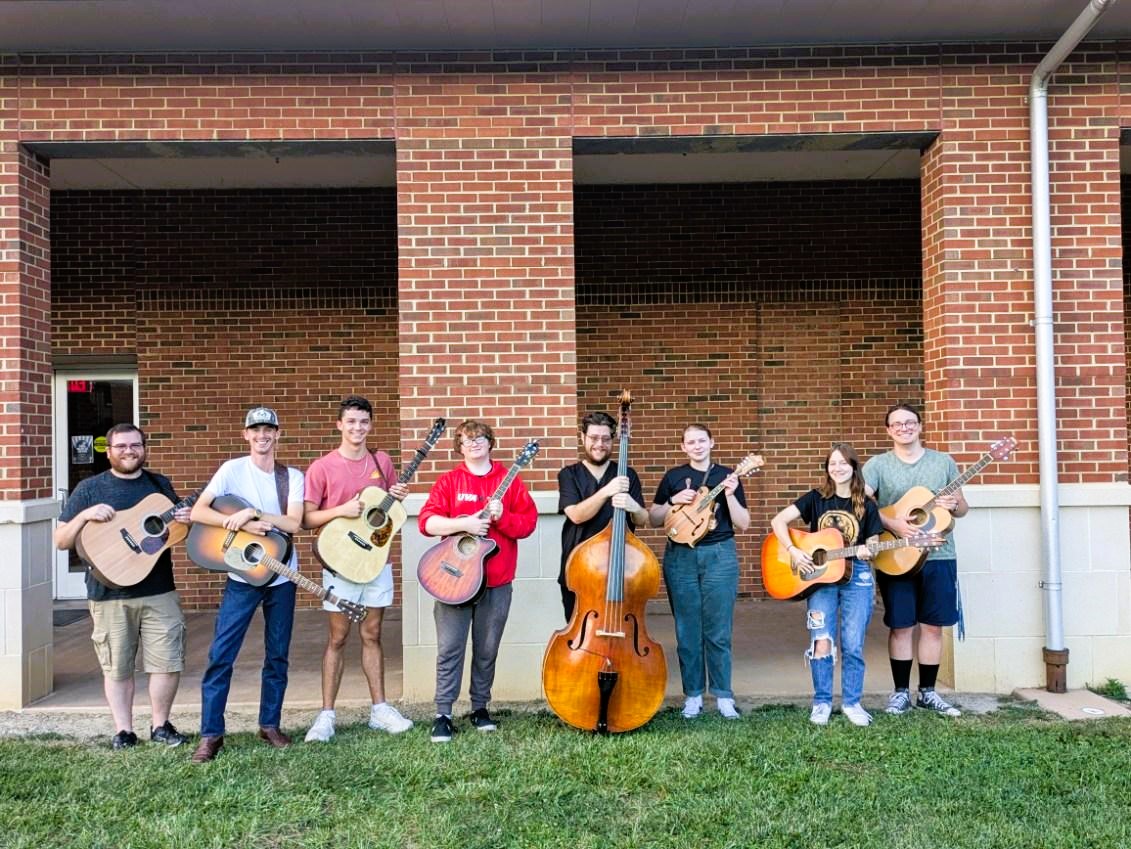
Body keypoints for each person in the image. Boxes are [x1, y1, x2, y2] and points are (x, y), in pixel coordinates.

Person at [53, 423, 191, 750]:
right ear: (108, 450)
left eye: (135, 445)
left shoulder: (160, 485)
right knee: (117, 665)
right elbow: (60, 541)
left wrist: (186, 519)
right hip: (108, 594)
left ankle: (160, 725)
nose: (129, 451)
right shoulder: (89, 488)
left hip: (160, 590)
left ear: (144, 448)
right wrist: (85, 515)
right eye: (121, 446)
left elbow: (168, 533)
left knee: (168, 660)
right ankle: (124, 731)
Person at [189, 406, 305, 763]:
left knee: (278, 654)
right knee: (221, 654)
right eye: (255, 430)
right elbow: (198, 513)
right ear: (246, 434)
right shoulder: (231, 470)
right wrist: (236, 525)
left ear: (278, 434)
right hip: (241, 574)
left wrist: (253, 513)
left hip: (281, 576)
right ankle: (211, 734)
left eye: (268, 429)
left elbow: (293, 522)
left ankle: (269, 725)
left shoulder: (292, 477)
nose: (262, 436)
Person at [418, 420, 538, 743]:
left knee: (487, 648)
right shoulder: (449, 481)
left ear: (490, 442)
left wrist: (503, 517)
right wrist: (465, 522)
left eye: (480, 438)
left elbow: (527, 524)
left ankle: (480, 707)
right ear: (459, 446)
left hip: (496, 580)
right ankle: (443, 713)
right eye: (467, 440)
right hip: (453, 578)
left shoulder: (508, 480)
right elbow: (426, 521)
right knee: (450, 647)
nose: (474, 444)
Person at [302, 396, 413, 743]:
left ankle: (380, 710)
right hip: (339, 562)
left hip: (376, 562)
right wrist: (341, 510)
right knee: (338, 637)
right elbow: (306, 519)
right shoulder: (321, 467)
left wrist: (399, 494)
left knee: (372, 634)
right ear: (339, 425)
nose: (357, 428)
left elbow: (390, 513)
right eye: (351, 422)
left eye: (363, 422)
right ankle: (326, 715)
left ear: (370, 425)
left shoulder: (382, 461)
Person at [863, 403, 967, 718]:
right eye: (897, 424)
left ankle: (928, 693)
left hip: (939, 555)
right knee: (901, 626)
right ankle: (899, 694)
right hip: (897, 554)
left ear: (920, 426)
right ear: (888, 430)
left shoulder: (943, 462)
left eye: (910, 423)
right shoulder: (877, 465)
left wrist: (956, 502)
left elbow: (962, 510)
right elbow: (860, 504)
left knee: (933, 627)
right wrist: (892, 523)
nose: (904, 428)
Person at [770, 444, 883, 727]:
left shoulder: (866, 504)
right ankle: (821, 702)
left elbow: (874, 541)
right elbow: (778, 520)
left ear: (854, 467)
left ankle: (852, 702)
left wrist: (870, 549)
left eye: (844, 463)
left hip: (857, 575)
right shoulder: (816, 498)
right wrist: (794, 551)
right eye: (832, 463)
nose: (838, 468)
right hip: (820, 577)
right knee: (822, 641)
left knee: (854, 643)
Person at [648, 423, 750, 720]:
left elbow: (743, 523)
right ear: (683, 447)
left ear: (711, 442)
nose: (697, 446)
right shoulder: (673, 477)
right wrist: (671, 502)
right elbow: (653, 519)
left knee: (718, 629)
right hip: (680, 557)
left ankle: (723, 695)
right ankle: (693, 695)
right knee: (686, 628)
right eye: (690, 442)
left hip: (720, 555)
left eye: (702, 440)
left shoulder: (727, 476)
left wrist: (730, 495)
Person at [556, 410, 648, 622]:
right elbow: (576, 515)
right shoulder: (569, 474)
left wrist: (633, 506)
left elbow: (643, 519)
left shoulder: (627, 474)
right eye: (594, 438)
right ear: (583, 437)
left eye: (606, 439)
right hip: (579, 572)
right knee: (579, 630)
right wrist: (607, 491)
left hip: (620, 570)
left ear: (613, 440)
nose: (600, 444)